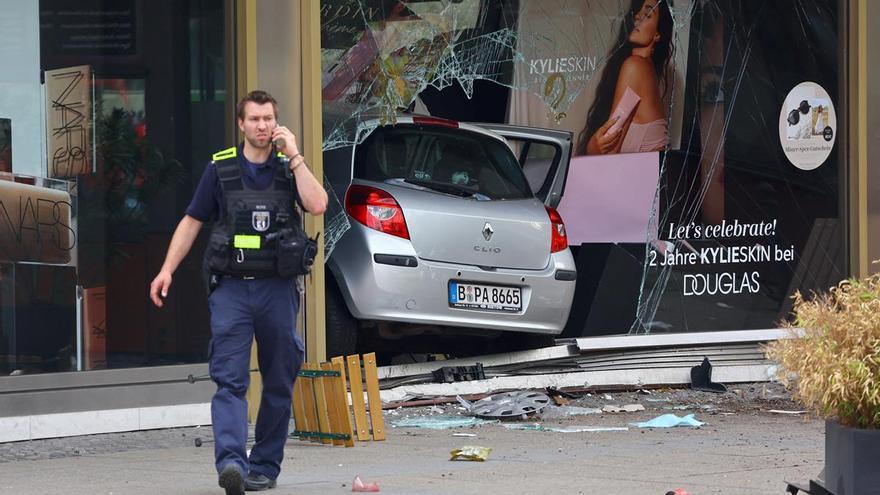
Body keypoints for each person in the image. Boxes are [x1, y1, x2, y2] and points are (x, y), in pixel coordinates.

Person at [149, 90, 327, 494]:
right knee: (230, 379)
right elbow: (192, 221)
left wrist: (295, 155)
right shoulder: (221, 169)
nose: (262, 126)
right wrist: (166, 270)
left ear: (276, 123)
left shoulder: (288, 168)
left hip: (277, 291)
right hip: (231, 289)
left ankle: (263, 466)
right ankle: (231, 463)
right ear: (241, 124)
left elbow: (317, 205)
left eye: (268, 119)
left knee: (280, 377)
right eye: (255, 119)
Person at [577, 0, 674, 155]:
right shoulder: (646, 72)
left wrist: (591, 148)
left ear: (658, 34)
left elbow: (608, 149)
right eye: (638, 11)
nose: (637, 16)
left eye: (648, 14)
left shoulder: (635, 67)